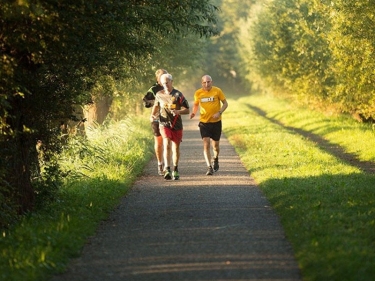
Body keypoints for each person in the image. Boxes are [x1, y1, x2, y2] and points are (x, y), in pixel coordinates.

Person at [151, 73, 190, 180]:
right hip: (164, 123)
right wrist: (152, 115)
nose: (165, 85)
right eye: (163, 83)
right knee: (166, 142)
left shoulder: (178, 95)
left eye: (167, 83)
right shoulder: (159, 95)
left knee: (176, 148)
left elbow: (187, 110)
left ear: (172, 82)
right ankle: (167, 169)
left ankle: (175, 169)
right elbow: (155, 106)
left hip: (176, 125)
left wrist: (178, 111)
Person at [189, 75, 228, 175]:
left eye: (209, 82)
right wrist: (193, 112)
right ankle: (209, 167)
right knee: (206, 144)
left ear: (212, 82)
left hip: (216, 122)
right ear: (202, 83)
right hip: (204, 123)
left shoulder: (217, 91)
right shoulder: (198, 93)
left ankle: (215, 158)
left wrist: (219, 112)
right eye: (205, 82)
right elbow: (196, 104)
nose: (207, 84)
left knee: (216, 146)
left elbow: (225, 104)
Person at [143, 69, 168, 175]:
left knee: (167, 142)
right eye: (161, 76)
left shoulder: (169, 87)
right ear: (157, 78)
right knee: (159, 143)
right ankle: (160, 164)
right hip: (156, 119)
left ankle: (167, 165)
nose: (163, 78)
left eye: (165, 76)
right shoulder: (153, 89)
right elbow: (146, 102)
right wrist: (154, 104)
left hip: (168, 118)